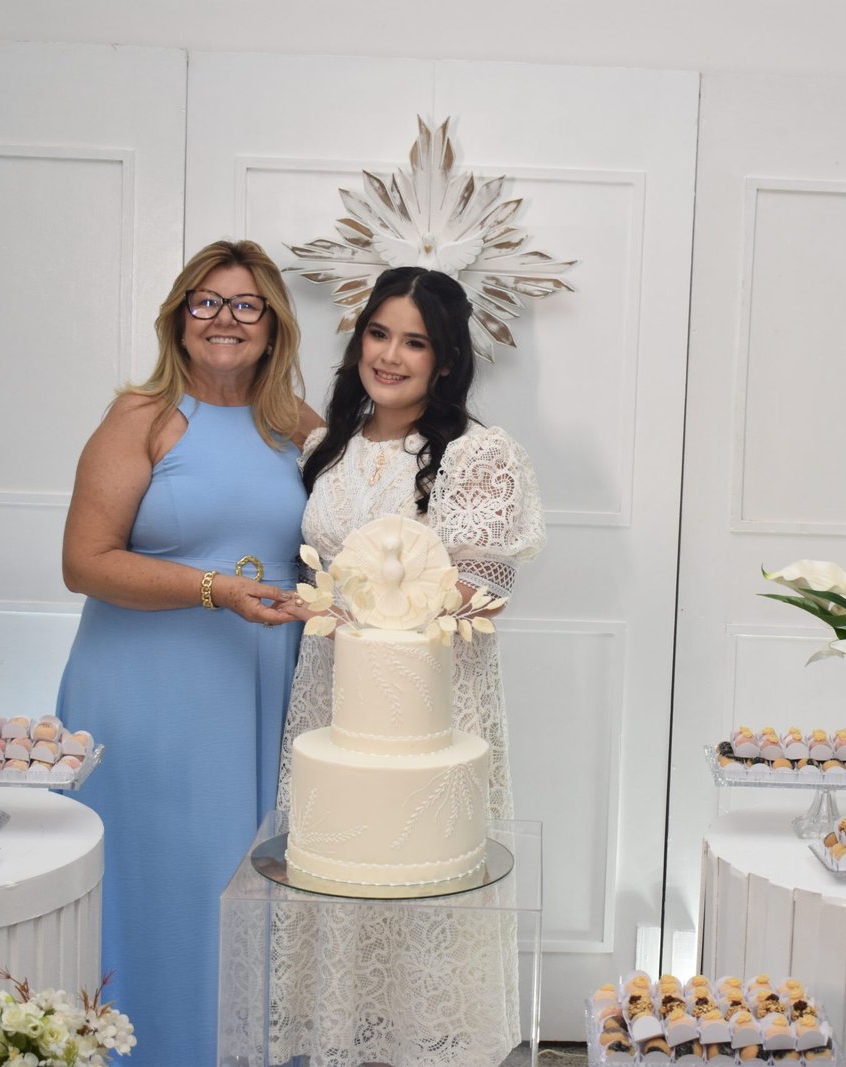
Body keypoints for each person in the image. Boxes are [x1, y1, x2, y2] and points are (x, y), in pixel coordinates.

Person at [270, 266, 545, 1066]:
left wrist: (363, 616)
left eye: (414, 343)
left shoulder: (477, 453)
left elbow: (483, 588)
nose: (389, 355)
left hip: (429, 698)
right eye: (379, 334)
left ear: (447, 359)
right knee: (339, 869)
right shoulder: (330, 445)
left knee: (420, 875)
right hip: (330, 695)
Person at [56, 239, 321, 1063]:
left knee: (240, 885)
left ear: (273, 325)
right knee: (156, 882)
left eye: (245, 304)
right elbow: (84, 561)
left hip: (257, 686)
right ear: (178, 318)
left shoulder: (301, 428)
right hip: (143, 690)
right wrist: (215, 589)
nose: (223, 319)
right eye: (205, 302)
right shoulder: (141, 417)